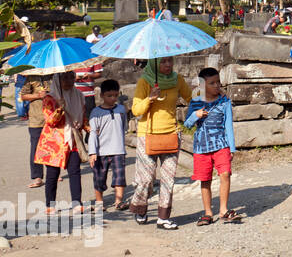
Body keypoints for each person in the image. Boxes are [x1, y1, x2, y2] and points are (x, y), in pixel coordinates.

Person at [129, 57, 190, 229]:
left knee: (168, 179)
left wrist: (208, 95)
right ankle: (140, 208)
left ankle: (163, 217)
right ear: (155, 64)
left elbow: (191, 97)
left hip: (171, 133)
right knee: (146, 179)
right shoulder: (144, 81)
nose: (168, 65)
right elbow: (136, 110)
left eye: (170, 61)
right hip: (147, 135)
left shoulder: (177, 79)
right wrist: (150, 98)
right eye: (163, 62)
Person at [184, 67, 239, 225]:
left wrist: (232, 148)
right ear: (202, 85)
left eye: (218, 82)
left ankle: (223, 210)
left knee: (225, 174)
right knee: (205, 180)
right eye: (212, 83)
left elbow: (228, 125)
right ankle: (208, 212)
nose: (217, 86)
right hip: (201, 147)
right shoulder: (196, 102)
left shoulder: (224, 101)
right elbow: (187, 124)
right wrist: (196, 115)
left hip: (221, 144)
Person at [34, 71, 88, 215]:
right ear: (57, 80)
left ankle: (77, 202)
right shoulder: (49, 99)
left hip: (73, 139)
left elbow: (83, 118)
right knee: (52, 174)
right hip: (54, 143)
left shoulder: (79, 96)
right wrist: (59, 109)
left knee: (75, 171)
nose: (69, 80)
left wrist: (90, 129)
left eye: (72, 77)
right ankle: (50, 205)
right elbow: (50, 121)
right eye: (65, 78)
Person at [87, 79, 130, 210]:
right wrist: (92, 152)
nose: (113, 99)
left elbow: (124, 126)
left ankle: (119, 201)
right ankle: (99, 202)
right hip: (101, 151)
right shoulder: (96, 112)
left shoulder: (121, 109)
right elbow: (93, 132)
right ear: (102, 95)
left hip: (118, 149)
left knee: (120, 176)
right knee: (99, 177)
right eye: (109, 96)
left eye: (115, 96)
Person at [19, 75, 49, 189]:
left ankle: (53, 173)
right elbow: (23, 96)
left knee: (53, 146)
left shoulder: (55, 75)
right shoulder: (31, 78)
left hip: (53, 117)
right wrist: (38, 95)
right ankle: (37, 176)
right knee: (36, 147)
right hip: (36, 118)